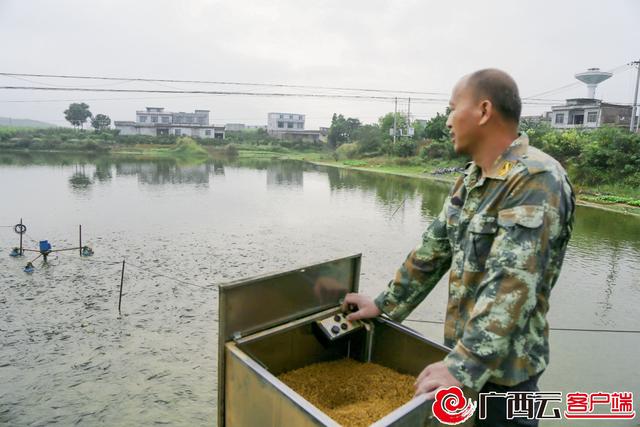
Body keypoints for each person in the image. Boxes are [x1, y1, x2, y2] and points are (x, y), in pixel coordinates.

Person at [343, 69, 575, 426]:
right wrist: (382, 304)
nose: (447, 121)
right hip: (463, 363)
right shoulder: (472, 179)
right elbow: (432, 251)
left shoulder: (536, 178)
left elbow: (512, 283)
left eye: (452, 109)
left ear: (483, 111)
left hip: (505, 381)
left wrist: (464, 367)